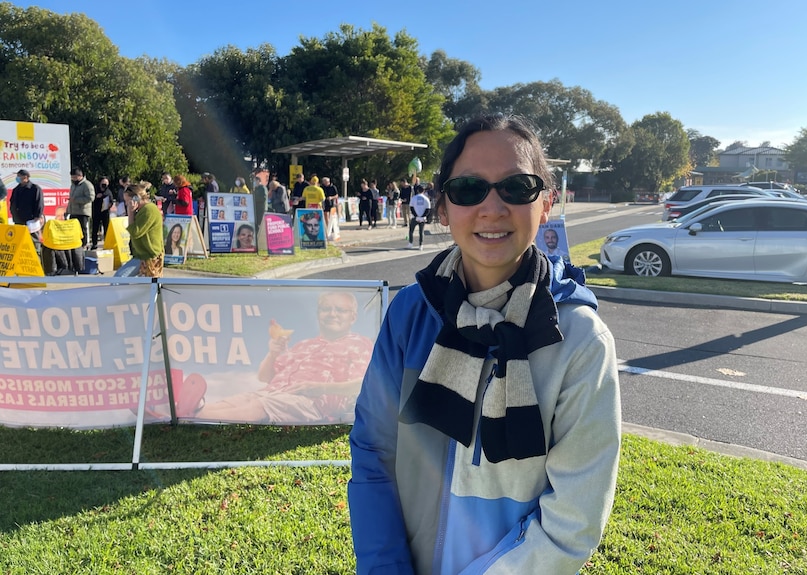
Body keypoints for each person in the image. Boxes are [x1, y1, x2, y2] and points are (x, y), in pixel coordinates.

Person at [348, 113, 621, 575]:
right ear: (443, 207)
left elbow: (572, 522)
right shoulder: (410, 314)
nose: (492, 208)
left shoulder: (580, 341)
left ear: (547, 202)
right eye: (469, 189)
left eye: (517, 188)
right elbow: (374, 453)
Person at [190, 291, 374, 424]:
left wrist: (319, 388)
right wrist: (273, 353)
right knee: (237, 400)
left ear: (353, 317)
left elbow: (363, 384)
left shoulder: (359, 344)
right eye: (326, 309)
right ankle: (190, 412)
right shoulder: (304, 344)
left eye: (340, 310)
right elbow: (264, 377)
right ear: (318, 314)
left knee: (259, 406)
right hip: (274, 391)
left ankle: (193, 417)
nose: (332, 314)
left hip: (313, 402)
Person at [125, 183, 164, 277]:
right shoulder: (142, 210)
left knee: (119, 279)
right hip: (141, 255)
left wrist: (130, 213)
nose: (127, 204)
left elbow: (135, 232)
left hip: (149, 256)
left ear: (136, 198)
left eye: (128, 201)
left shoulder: (149, 210)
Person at [9, 169, 43, 252]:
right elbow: (12, 202)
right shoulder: (16, 189)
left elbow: (39, 202)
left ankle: (37, 257)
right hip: (18, 219)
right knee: (20, 241)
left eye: (19, 176)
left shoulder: (35, 188)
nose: (17, 178)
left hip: (31, 219)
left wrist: (37, 216)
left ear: (25, 177)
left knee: (34, 241)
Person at [67, 167, 95, 249]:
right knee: (73, 230)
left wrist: (76, 200)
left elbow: (90, 198)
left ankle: (84, 245)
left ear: (80, 176)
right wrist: (68, 210)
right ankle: (76, 245)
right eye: (72, 177)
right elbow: (71, 199)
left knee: (83, 229)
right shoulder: (73, 185)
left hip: (83, 212)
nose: (73, 179)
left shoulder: (87, 185)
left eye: (74, 177)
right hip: (73, 211)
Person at [407, 183, 431, 250]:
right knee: (421, 232)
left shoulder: (414, 198)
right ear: (423, 191)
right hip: (423, 218)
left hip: (415, 217)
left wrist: (416, 216)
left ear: (417, 190)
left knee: (411, 230)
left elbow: (411, 208)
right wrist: (422, 216)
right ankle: (421, 245)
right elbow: (428, 209)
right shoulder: (426, 199)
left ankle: (410, 243)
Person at [92, 175, 112, 246]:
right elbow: (91, 199)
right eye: (103, 183)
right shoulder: (95, 190)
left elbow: (111, 200)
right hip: (96, 211)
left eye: (106, 183)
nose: (105, 184)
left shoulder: (108, 191)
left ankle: (107, 243)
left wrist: (110, 204)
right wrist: (96, 197)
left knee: (106, 227)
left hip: (105, 212)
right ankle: (94, 243)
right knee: (95, 228)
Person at [321, 176, 340, 241]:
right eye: (325, 182)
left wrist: (331, 197)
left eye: (327, 182)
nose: (326, 183)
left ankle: (333, 229)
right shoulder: (322, 187)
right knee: (326, 215)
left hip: (332, 203)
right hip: (325, 203)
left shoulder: (333, 187)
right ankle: (328, 227)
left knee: (332, 217)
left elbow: (337, 195)